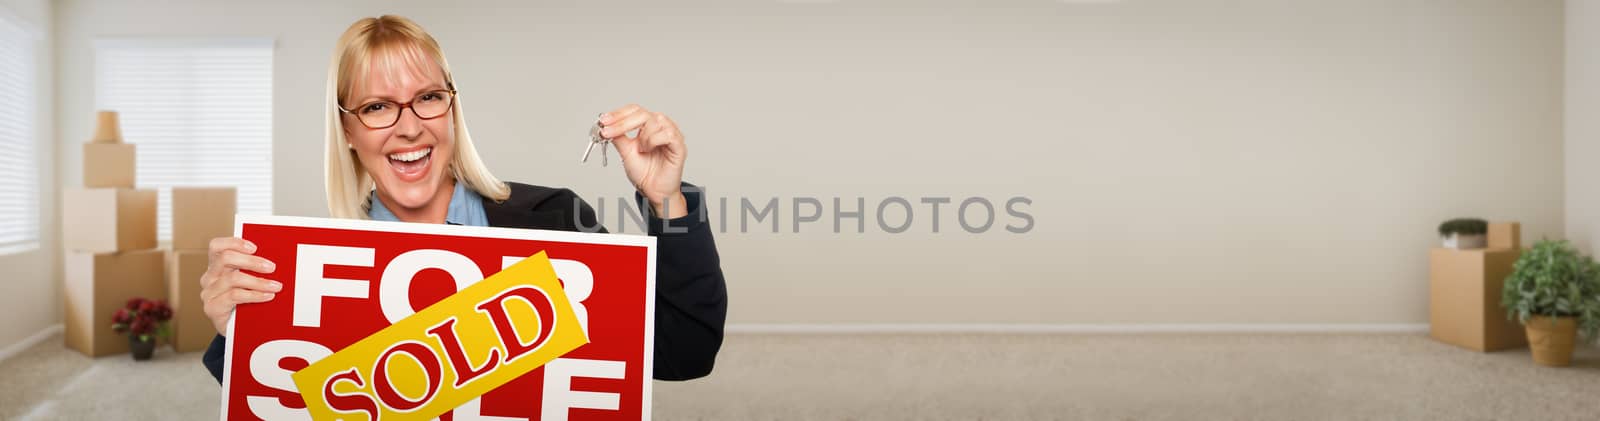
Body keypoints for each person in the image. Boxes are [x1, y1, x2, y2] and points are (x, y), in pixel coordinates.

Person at [197, 15, 727, 382]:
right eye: (378, 107)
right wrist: (237, 335)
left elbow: (687, 349)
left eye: (428, 98)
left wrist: (666, 200)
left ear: (452, 109)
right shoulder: (310, 275)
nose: (409, 128)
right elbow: (285, 399)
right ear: (349, 133)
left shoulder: (556, 220)